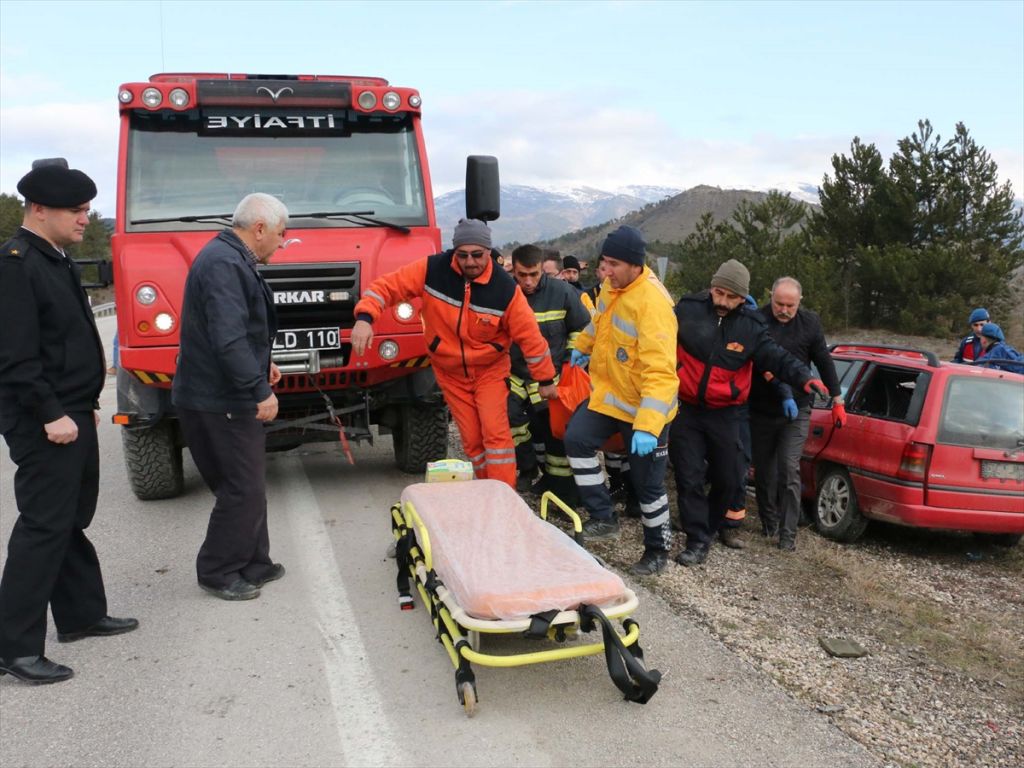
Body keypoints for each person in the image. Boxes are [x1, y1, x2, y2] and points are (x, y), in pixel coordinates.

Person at [0, 162, 138, 684]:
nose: (85, 218)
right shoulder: (16, 264)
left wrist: (82, 401)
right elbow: (15, 358)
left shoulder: (54, 257)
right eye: (75, 211)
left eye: (86, 210)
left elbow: (65, 338)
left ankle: (80, 615)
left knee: (70, 516)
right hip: (44, 418)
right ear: (39, 209)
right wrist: (51, 413)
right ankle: (14, 647)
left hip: (71, 408)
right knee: (43, 525)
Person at [352, 219, 557, 488]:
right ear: (454, 252)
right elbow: (386, 287)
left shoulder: (505, 290)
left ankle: (503, 497)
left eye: (477, 255)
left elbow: (531, 338)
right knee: (472, 441)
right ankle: (486, 490)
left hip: (489, 372)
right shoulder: (431, 270)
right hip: (450, 374)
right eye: (462, 255)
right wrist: (365, 317)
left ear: (488, 251)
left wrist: (545, 380)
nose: (470, 262)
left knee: (496, 437)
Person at [671, 260, 827, 567]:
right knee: (688, 477)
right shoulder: (687, 309)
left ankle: (710, 526)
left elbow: (777, 358)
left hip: (727, 414)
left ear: (743, 299)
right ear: (711, 287)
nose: (724, 302)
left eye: (732, 297)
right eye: (719, 293)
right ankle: (697, 539)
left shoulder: (751, 326)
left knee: (729, 478)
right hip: (687, 410)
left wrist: (804, 378)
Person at [172, 193, 287, 601]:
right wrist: (259, 389)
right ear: (259, 229)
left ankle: (254, 561)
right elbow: (227, 338)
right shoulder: (223, 264)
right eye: (280, 234)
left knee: (250, 482)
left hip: (223, 390)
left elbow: (241, 331)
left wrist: (262, 363)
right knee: (241, 486)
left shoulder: (233, 258)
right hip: (216, 398)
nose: (282, 241)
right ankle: (218, 570)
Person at [564, 225, 679, 576]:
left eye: (613, 264)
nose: (606, 270)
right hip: (610, 398)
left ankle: (658, 549)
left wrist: (647, 426)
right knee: (576, 440)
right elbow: (598, 325)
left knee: (647, 485)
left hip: (646, 412)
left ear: (633, 264)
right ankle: (603, 517)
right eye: (604, 262)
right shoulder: (612, 290)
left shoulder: (653, 303)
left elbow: (661, 373)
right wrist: (580, 348)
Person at [749, 277, 843, 551]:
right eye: (779, 303)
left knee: (789, 467)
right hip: (763, 406)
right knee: (764, 469)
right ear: (771, 297)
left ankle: (787, 535)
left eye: (790, 305)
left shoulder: (810, 323)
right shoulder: (758, 320)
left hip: (798, 408)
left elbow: (824, 361)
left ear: (799, 302)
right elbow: (756, 361)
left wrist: (837, 399)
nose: (784, 310)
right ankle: (770, 522)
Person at [506, 244, 591, 501]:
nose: (529, 281)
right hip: (515, 375)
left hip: (552, 376)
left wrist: (569, 360)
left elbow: (581, 329)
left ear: (543, 269)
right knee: (506, 417)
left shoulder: (562, 292)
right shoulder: (503, 293)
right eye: (522, 275)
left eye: (534, 274)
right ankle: (528, 466)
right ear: (514, 271)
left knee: (553, 436)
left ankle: (558, 488)